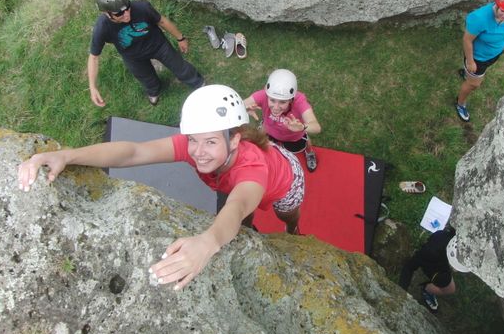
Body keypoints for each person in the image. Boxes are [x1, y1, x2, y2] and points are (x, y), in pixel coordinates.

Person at [17, 84, 305, 291]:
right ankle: (250, 228)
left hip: (286, 180)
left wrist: (207, 243)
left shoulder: (252, 169)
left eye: (210, 142)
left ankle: (293, 230)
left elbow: (237, 205)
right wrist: (67, 155)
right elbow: (133, 153)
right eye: (192, 140)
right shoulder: (202, 148)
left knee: (285, 212)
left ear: (234, 140)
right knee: (243, 217)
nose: (198, 152)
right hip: (238, 180)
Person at [89, 0, 205, 107]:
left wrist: (180, 38)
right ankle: (154, 90)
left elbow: (162, 21)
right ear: (106, 13)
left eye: (127, 7)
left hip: (158, 45)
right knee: (146, 78)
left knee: (180, 67)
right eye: (119, 14)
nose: (127, 14)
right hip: (133, 57)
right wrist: (93, 87)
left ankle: (198, 83)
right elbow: (94, 57)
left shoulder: (142, 7)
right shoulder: (102, 27)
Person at [455, 0, 504, 122]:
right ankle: (460, 103)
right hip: (478, 59)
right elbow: (467, 40)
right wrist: (470, 61)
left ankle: (467, 74)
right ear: (497, 3)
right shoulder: (479, 18)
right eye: (502, 11)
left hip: (492, 55)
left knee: (474, 76)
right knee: (474, 84)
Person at [243, 69, 322, 172]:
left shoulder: (299, 101)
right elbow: (237, 105)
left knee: (305, 142)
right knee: (263, 147)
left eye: (282, 102)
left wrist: (302, 127)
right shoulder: (263, 95)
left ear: (291, 99)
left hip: (293, 137)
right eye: (272, 100)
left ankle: (309, 152)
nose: (276, 107)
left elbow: (316, 127)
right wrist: (244, 109)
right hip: (269, 131)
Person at [398, 225, 469, 312]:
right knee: (449, 287)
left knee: (448, 283)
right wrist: (401, 292)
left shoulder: (448, 237)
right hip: (433, 267)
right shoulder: (431, 252)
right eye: (457, 265)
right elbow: (409, 267)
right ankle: (427, 289)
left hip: (441, 261)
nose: (457, 270)